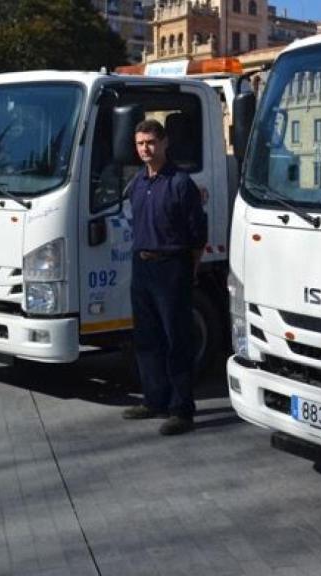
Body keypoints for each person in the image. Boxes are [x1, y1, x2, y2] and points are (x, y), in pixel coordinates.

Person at [122, 119, 208, 436]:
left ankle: (181, 410)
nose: (146, 148)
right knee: (146, 339)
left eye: (151, 142)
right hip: (142, 266)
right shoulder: (137, 184)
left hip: (172, 266)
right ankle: (154, 400)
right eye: (141, 143)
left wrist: (189, 269)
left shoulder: (180, 183)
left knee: (177, 340)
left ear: (164, 143)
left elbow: (198, 236)